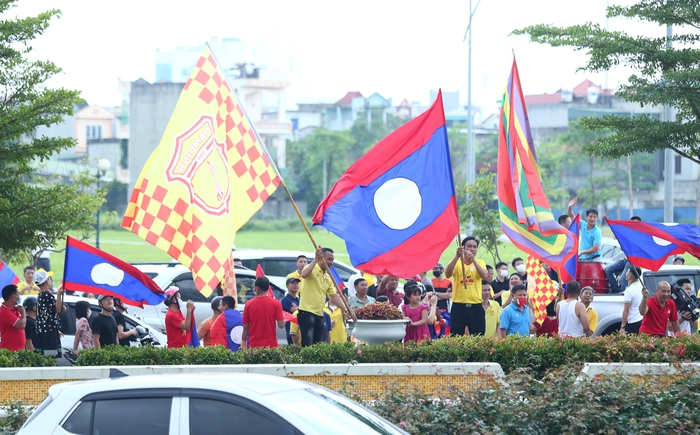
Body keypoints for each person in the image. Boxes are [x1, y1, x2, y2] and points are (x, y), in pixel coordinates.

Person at [298, 247, 349, 346]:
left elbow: (334, 297)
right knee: (307, 344)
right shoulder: (311, 268)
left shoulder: (328, 277)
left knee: (319, 344)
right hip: (306, 312)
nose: (331, 262)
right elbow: (304, 274)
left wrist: (347, 309)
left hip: (320, 314)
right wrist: (316, 259)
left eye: (332, 260)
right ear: (321, 258)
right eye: (329, 259)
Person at [445, 236, 489, 336]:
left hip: (476, 306)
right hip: (458, 306)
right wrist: (457, 256)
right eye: (469, 246)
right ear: (463, 248)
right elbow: (447, 273)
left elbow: (484, 275)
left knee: (478, 337)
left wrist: (473, 260)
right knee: (455, 336)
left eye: (475, 247)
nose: (472, 249)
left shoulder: (480, 262)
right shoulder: (456, 262)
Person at [241, 277, 285, 349]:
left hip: (254, 346)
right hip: (271, 346)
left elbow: (246, 327)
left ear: (257, 288)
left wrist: (243, 343)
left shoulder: (248, 304)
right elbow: (281, 325)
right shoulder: (276, 303)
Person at [605, 216, 641, 293]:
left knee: (623, 278)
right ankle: (616, 291)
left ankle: (624, 295)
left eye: (635, 223)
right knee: (608, 269)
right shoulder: (628, 234)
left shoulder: (640, 235)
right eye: (631, 223)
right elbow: (622, 248)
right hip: (626, 259)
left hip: (633, 261)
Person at [35, 270, 64, 355]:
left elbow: (51, 310)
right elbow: (57, 310)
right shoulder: (47, 295)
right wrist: (59, 295)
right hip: (49, 332)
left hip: (44, 330)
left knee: (46, 356)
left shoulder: (40, 295)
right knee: (51, 356)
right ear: (47, 281)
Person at [0, 285, 26, 351]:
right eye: (18, 294)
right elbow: (21, 325)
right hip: (10, 350)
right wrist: (23, 312)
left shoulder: (15, 309)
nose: (19, 296)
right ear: (13, 296)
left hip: (19, 350)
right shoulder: (4, 311)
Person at [621, 267, 644, 335]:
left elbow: (626, 310)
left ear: (629, 276)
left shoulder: (629, 291)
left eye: (627, 271)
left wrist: (622, 327)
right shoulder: (641, 286)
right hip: (641, 320)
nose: (626, 273)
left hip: (633, 322)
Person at [281, 277, 301, 345]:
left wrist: (297, 308)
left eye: (297, 283)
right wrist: (298, 309)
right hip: (291, 332)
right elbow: (297, 312)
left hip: (300, 332)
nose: (295, 285)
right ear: (287, 286)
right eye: (292, 283)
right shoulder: (286, 300)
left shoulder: (298, 300)